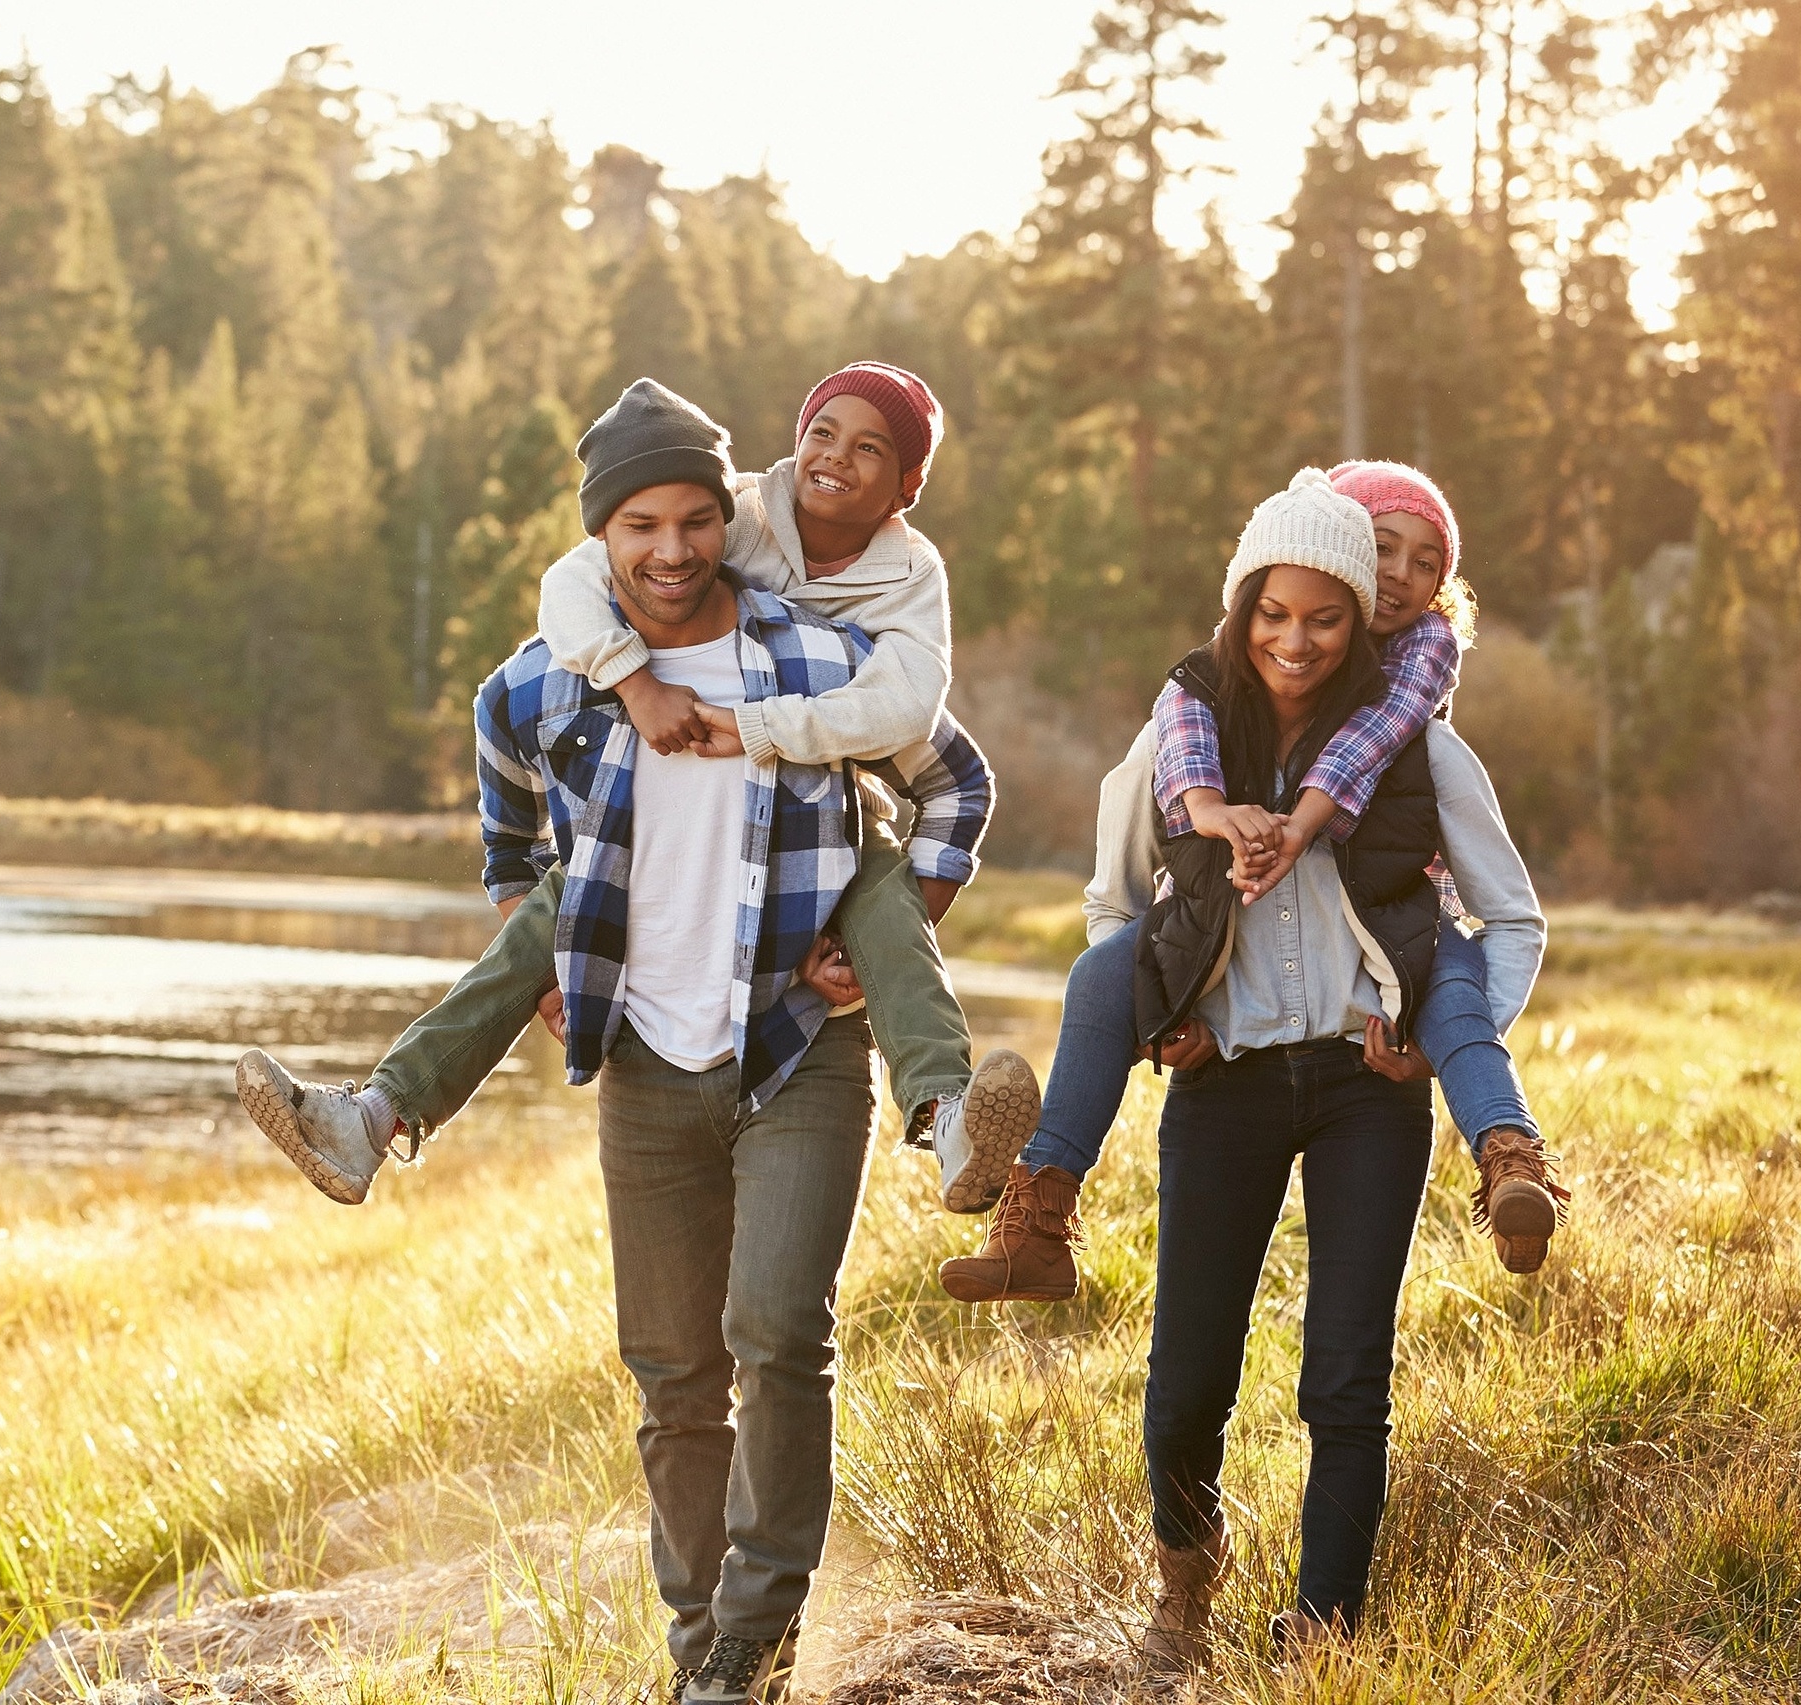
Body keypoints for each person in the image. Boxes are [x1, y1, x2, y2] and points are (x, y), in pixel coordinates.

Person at [284, 380, 993, 1705]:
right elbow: (499, 745)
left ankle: (760, 1628)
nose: (668, 552)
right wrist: (524, 912)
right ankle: (702, 1657)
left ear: (727, 521)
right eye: (638, 528)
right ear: (599, 541)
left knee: (778, 1331)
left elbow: (955, 770)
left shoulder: (813, 656)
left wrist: (909, 905)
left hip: (796, 1044)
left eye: (692, 522)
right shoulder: (567, 665)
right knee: (674, 1378)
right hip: (649, 1063)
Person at [237, 371, 1036, 1219]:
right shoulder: (730, 511)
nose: (835, 457)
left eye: (870, 447)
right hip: (643, 837)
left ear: (908, 485)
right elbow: (573, 585)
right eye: (824, 432)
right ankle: (374, 1116)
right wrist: (632, 682)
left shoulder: (904, 583)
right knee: (553, 909)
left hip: (833, 816)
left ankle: (948, 1116)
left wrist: (878, 921)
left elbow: (920, 718)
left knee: (883, 897)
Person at [1077, 470, 1546, 1667]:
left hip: (1362, 1090)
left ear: (1356, 622)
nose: (1299, 636)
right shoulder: (1182, 738)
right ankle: (1185, 1585)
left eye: (1329, 613)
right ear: (1248, 609)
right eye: (1278, 613)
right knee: (1186, 1374)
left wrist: (1437, 1036)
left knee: (1345, 1376)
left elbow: (1512, 920)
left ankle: (1325, 1628)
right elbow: (1111, 906)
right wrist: (1158, 1016)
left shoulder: (1420, 752)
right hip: (1223, 1085)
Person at [939, 460, 1567, 1305]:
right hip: (1222, 1013)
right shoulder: (1196, 701)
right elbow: (1121, 877)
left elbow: (1392, 766)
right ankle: (1040, 1210)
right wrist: (1164, 1012)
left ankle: (1509, 1154)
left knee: (1452, 984)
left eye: (1427, 564)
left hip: (1392, 958)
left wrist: (1301, 826)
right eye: (1383, 550)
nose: (1402, 578)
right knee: (1098, 975)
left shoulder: (1413, 703)